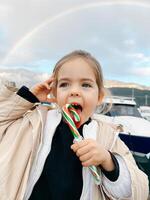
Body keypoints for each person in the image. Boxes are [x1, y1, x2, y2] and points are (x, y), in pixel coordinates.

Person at [0, 50, 149, 200]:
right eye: (64, 84)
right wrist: (28, 97)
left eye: (85, 85)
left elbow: (138, 192)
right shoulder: (35, 122)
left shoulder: (109, 137)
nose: (74, 91)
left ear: (99, 97)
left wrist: (109, 162)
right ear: (55, 94)